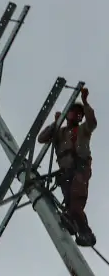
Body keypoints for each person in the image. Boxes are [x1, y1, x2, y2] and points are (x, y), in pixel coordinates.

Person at [37, 86, 97, 247]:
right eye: (74, 111)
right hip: (65, 173)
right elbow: (41, 138)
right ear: (67, 113)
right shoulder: (60, 133)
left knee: (76, 203)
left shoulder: (83, 129)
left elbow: (92, 122)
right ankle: (75, 225)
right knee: (71, 205)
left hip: (80, 169)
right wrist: (55, 123)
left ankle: (86, 233)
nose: (78, 115)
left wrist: (85, 103)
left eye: (80, 113)